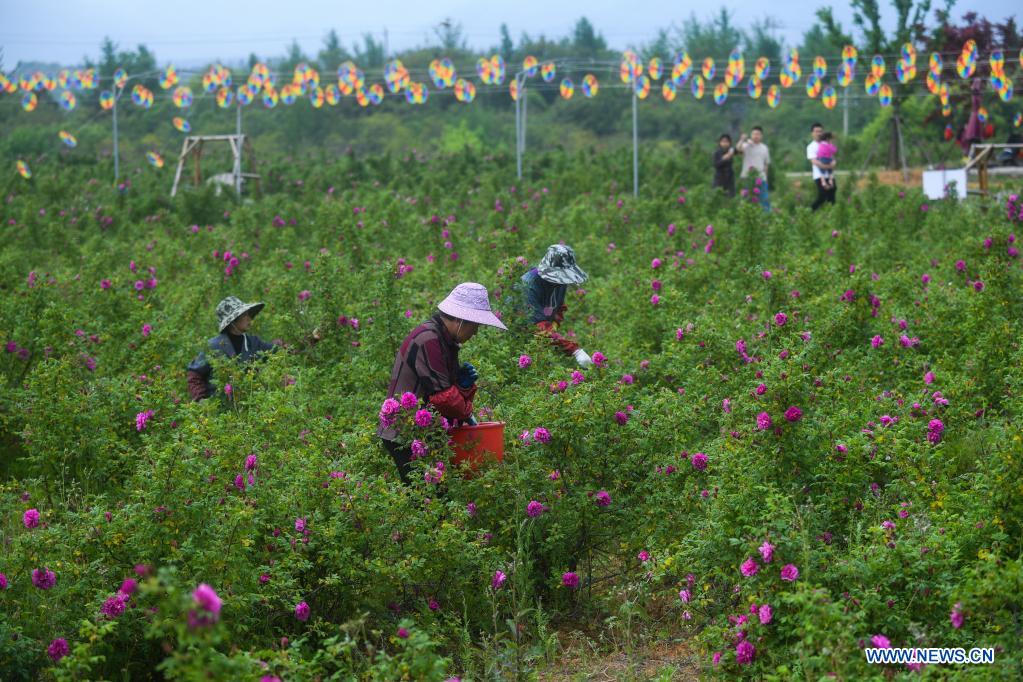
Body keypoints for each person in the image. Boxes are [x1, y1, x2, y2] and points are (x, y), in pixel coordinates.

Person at [379, 282, 507, 484]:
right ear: (460, 320)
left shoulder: (443, 340)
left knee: (437, 496)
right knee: (425, 498)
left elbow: (444, 389)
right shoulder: (428, 339)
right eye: (475, 326)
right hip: (405, 434)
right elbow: (443, 398)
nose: (475, 333)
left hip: (422, 432)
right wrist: (467, 412)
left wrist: (463, 385)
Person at [186, 296, 277, 401]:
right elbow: (194, 374)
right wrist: (201, 400)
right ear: (233, 320)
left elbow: (277, 351)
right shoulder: (213, 346)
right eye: (244, 315)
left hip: (248, 407)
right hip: (218, 408)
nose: (249, 318)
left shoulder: (254, 343)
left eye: (248, 314)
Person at [519, 244, 593, 367]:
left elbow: (558, 307)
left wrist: (554, 329)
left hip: (541, 340)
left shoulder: (560, 282)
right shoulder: (529, 285)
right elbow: (537, 327)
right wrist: (574, 350)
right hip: (519, 337)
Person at [736, 126, 771, 211]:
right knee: (746, 199)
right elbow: (738, 149)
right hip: (747, 177)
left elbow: (766, 164)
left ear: (761, 136)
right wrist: (742, 139)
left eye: (758, 134)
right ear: (751, 135)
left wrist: (766, 178)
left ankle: (766, 219)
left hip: (761, 178)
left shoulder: (764, 148)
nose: (756, 136)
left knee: (764, 200)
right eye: (754, 134)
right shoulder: (746, 145)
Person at [807, 122, 836, 210]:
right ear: (812, 133)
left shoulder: (827, 143)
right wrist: (828, 166)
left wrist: (834, 163)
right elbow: (814, 161)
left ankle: (831, 216)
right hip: (819, 176)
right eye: (816, 131)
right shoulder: (811, 146)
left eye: (820, 131)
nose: (819, 133)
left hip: (830, 175)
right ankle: (810, 212)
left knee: (832, 196)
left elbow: (833, 157)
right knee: (822, 196)